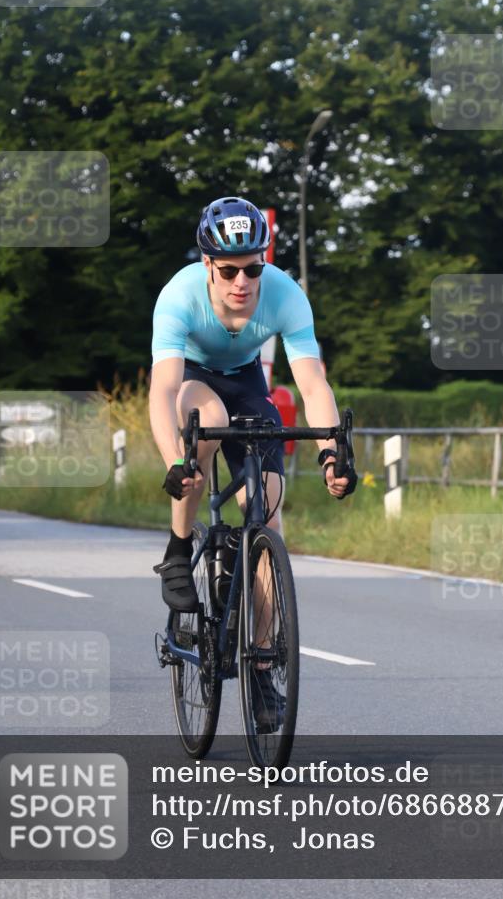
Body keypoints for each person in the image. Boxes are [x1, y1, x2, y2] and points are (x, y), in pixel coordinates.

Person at [148, 196, 357, 723]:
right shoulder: (178, 297)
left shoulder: (286, 294)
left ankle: (262, 670)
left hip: (247, 382)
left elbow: (312, 381)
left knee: (267, 514)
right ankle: (178, 549)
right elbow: (162, 390)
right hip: (194, 379)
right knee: (205, 426)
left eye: (253, 269)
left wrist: (331, 453)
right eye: (228, 271)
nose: (242, 283)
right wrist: (174, 459)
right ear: (206, 265)